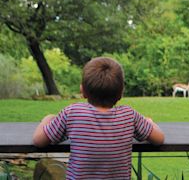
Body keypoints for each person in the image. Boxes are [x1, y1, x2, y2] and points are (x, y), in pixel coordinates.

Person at [32, 57, 164, 179]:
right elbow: (159, 139)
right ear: (121, 93)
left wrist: (47, 120)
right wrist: (149, 123)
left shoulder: (73, 113)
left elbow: (38, 141)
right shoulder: (129, 115)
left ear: (82, 91)